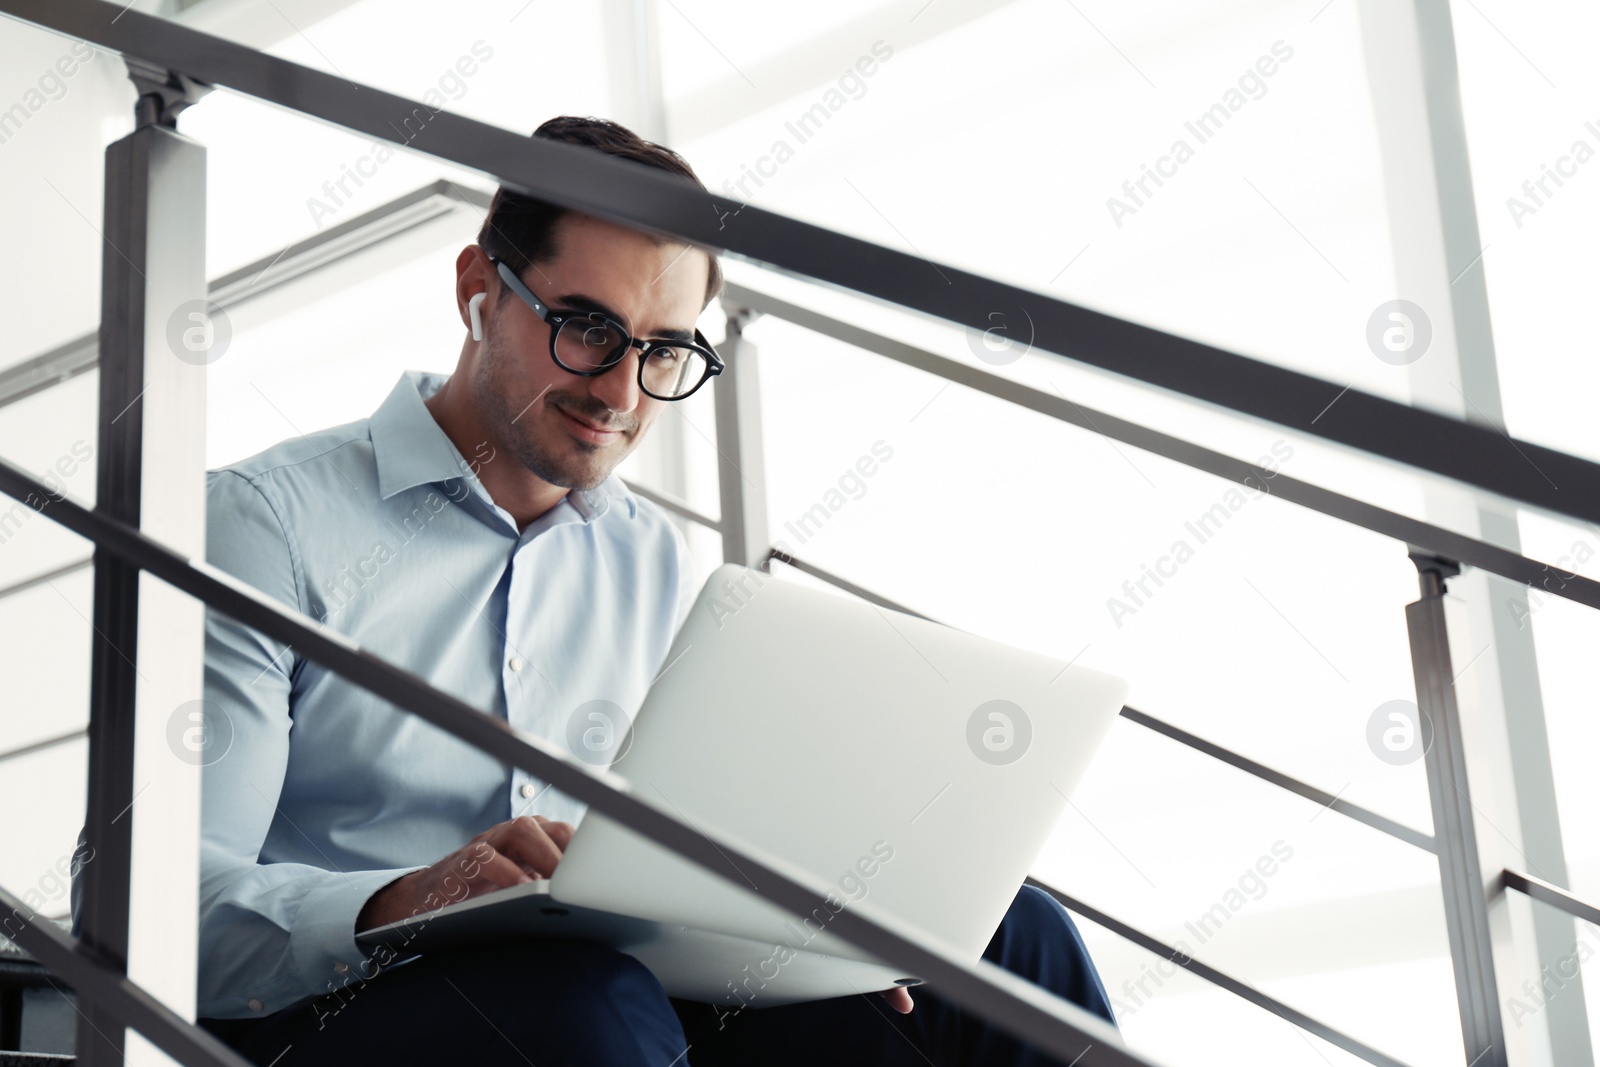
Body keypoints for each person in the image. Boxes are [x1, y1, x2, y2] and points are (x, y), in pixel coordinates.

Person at [188, 115, 1116, 1065]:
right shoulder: (265, 527)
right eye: (587, 328)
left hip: (619, 999)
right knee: (581, 995)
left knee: (1011, 942)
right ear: (478, 291)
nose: (624, 393)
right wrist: (406, 899)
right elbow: (167, 903)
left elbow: (677, 876)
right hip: (342, 1017)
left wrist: (824, 929)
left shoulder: (655, 563)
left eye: (665, 350)